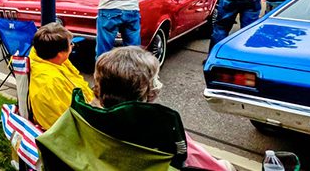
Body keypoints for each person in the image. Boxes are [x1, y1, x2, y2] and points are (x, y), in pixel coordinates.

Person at [92, 48, 235, 171]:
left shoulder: (90, 119)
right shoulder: (161, 127)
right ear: (147, 91)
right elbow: (201, 161)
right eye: (155, 78)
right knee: (226, 165)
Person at [28, 23, 95, 130]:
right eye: (71, 44)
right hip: (67, 133)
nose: (72, 46)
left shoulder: (50, 61)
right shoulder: (51, 82)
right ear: (60, 54)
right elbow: (69, 120)